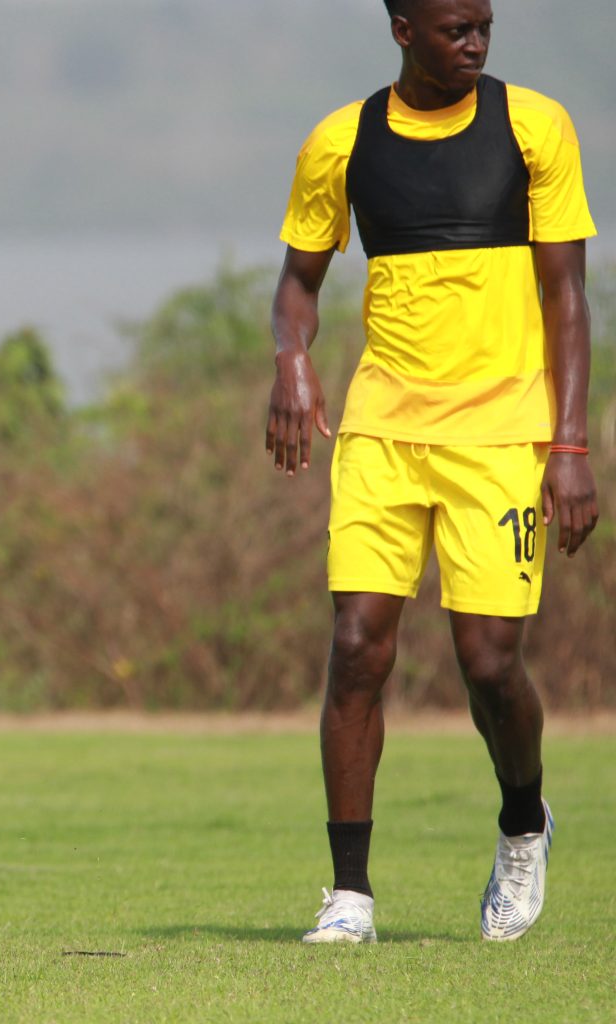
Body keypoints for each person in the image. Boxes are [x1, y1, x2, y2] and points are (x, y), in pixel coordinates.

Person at [266, 0, 598, 943]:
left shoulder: (534, 126)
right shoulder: (342, 141)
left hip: (500, 433)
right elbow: (298, 282)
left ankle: (524, 822)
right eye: (456, 28)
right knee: (358, 649)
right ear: (403, 28)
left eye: (485, 26)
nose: (477, 43)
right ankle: (349, 897)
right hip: (380, 431)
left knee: (490, 663)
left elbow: (566, 297)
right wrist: (292, 360)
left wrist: (570, 448)